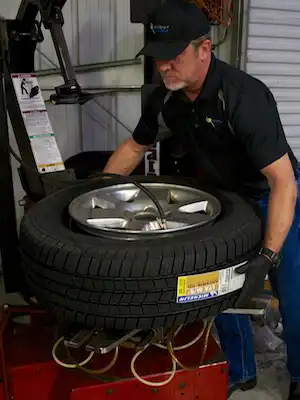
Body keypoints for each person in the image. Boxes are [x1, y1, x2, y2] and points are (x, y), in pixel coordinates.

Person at [103, 0, 300, 398]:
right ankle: (240, 370)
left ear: (204, 50)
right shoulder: (167, 101)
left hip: (270, 195)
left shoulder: (243, 98)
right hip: (224, 199)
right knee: (218, 291)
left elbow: (283, 182)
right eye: (158, 57)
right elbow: (134, 147)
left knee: (292, 293)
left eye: (174, 56)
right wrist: (98, 197)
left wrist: (269, 254)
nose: (164, 67)